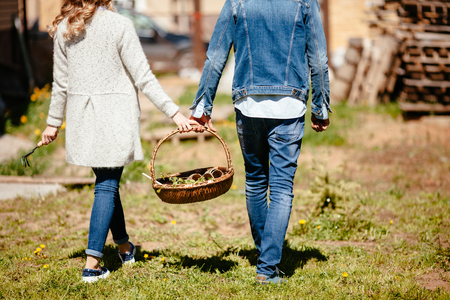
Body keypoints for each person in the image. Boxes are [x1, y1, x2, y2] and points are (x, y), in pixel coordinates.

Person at [41, 0, 199, 283]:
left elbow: (60, 83)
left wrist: (53, 122)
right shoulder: (120, 25)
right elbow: (144, 77)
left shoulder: (65, 27)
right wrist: (175, 113)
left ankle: (125, 248)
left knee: (106, 182)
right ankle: (92, 265)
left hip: (83, 118)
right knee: (107, 186)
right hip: (116, 117)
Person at [190, 0, 331, 284]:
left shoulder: (237, 1)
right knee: (281, 187)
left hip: (248, 105)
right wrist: (320, 106)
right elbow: (318, 59)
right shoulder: (305, 2)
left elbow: (215, 54)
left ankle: (265, 258)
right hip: (289, 106)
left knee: (255, 181)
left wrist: (202, 108)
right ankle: (267, 268)